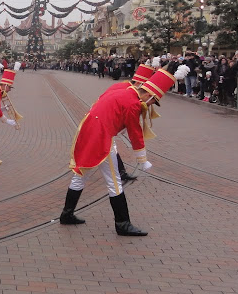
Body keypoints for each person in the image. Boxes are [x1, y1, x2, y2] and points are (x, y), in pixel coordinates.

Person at [59, 65, 190, 236]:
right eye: (153, 102)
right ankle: (122, 224)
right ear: (149, 96)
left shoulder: (122, 88)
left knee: (81, 175)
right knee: (114, 182)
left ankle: (66, 214)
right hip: (101, 139)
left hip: (90, 131)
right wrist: (142, 159)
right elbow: (135, 133)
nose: (151, 106)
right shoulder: (133, 103)